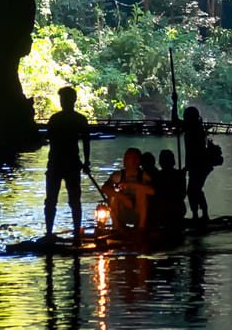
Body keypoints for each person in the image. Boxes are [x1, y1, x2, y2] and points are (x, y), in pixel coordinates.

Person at [43, 86, 95, 238]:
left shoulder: (56, 119)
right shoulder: (79, 119)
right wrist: (86, 162)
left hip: (58, 163)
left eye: (63, 99)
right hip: (69, 163)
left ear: (71, 100)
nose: (62, 102)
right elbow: (86, 142)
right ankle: (74, 231)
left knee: (53, 200)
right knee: (72, 199)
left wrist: (86, 162)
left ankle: (51, 232)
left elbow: (48, 138)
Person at [102, 146, 156, 233]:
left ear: (137, 161)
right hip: (122, 210)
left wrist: (131, 185)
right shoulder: (118, 176)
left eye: (129, 158)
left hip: (138, 211)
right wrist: (122, 197)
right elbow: (104, 188)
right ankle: (117, 227)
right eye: (126, 158)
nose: (126, 160)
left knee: (141, 192)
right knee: (113, 196)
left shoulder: (144, 176)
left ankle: (141, 228)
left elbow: (152, 191)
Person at [183, 105, 215, 221]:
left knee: (193, 190)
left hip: (200, 165)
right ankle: (198, 214)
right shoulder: (195, 127)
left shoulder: (194, 128)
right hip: (197, 164)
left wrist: (175, 102)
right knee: (194, 190)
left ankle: (202, 214)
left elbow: (175, 121)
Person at [155, 149, 187, 224]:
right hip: (176, 209)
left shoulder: (158, 175)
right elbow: (183, 194)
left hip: (168, 209)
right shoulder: (179, 175)